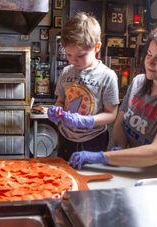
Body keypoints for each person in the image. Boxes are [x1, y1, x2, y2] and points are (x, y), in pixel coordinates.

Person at [69, 22, 157, 179]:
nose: (150, 62)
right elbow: (120, 123)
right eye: (149, 54)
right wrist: (120, 149)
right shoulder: (138, 82)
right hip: (145, 170)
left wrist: (103, 157)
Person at [47, 12, 120, 161]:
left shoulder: (107, 76)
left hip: (93, 139)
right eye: (69, 55)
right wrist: (57, 110)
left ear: (97, 47)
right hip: (66, 136)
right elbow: (61, 100)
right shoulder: (67, 72)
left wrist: (87, 121)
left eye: (80, 56)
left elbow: (111, 115)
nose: (74, 61)